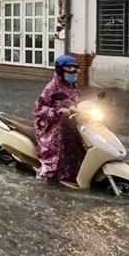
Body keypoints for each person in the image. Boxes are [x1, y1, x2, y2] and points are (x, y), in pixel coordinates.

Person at [33, 54, 84, 182]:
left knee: (77, 152)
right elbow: (38, 109)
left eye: (75, 69)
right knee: (54, 159)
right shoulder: (52, 87)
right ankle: (42, 181)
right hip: (51, 127)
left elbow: (76, 103)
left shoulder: (72, 85)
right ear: (61, 70)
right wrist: (57, 112)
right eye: (69, 69)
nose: (73, 72)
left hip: (69, 125)